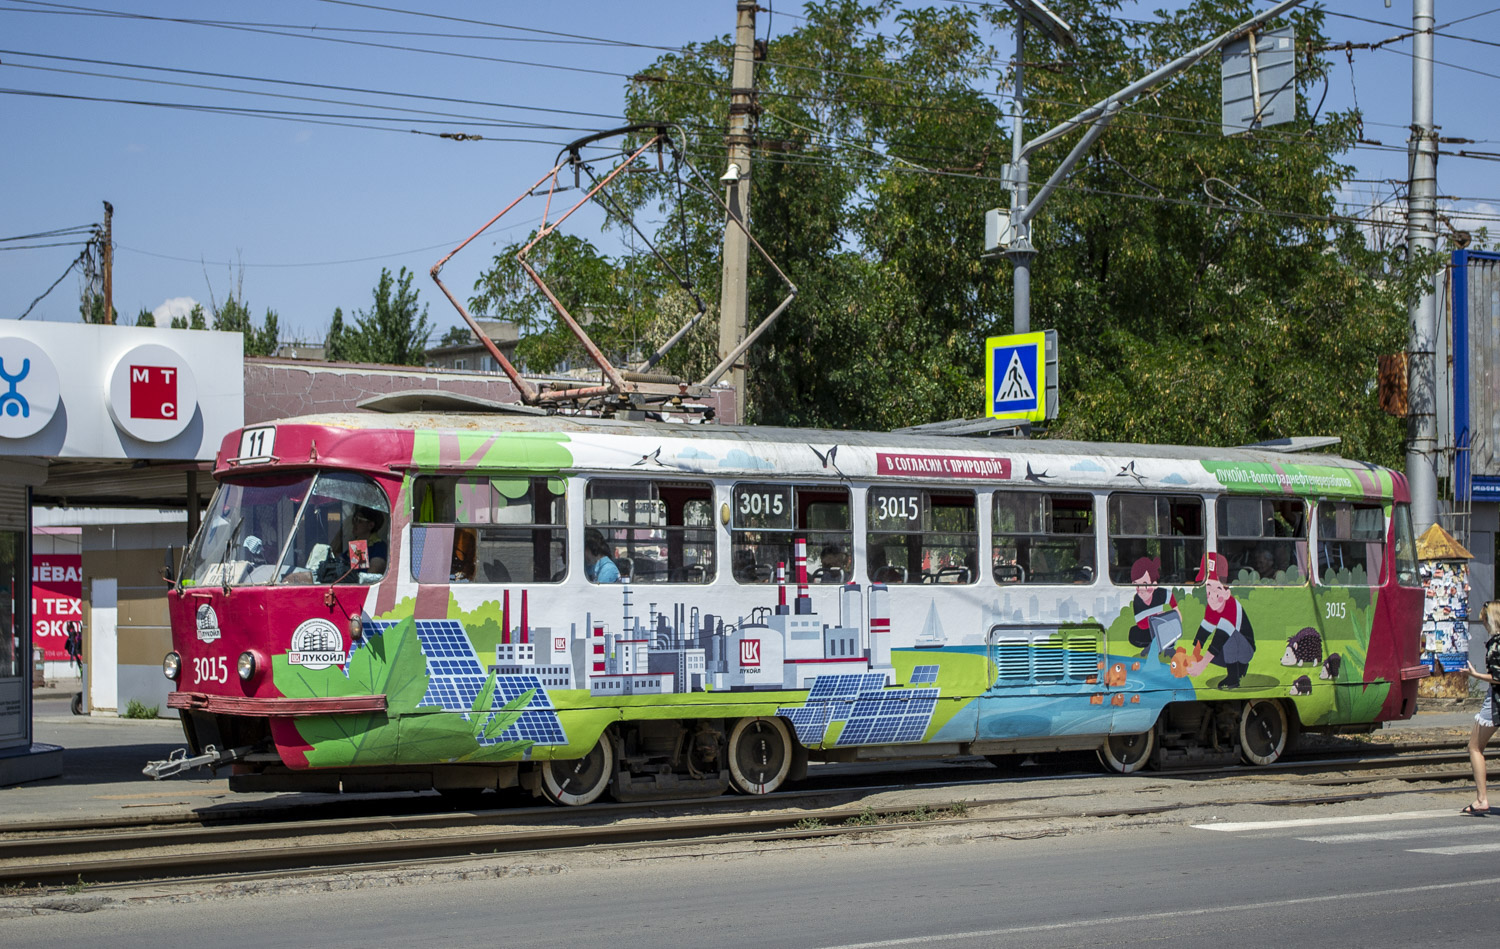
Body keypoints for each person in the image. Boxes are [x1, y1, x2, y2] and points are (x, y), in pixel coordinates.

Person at [1190, 552, 1256, 689]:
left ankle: (1233, 677)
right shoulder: (1211, 607)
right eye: (1208, 590)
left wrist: (1201, 666)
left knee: (1228, 636)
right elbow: (1203, 632)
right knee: (1214, 648)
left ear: (1227, 592)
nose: (1212, 597)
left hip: (1245, 649)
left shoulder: (1232, 606)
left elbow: (1219, 639)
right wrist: (1194, 656)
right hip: (1229, 649)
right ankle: (1238, 668)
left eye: (1218, 590)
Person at [1462, 601, 1500, 815]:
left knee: (1474, 747)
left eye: (1484, 619)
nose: (1483, 623)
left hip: (1496, 702)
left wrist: (1475, 675)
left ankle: (1481, 799)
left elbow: (1498, 678)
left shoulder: (1496, 644)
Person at [1128, 556, 1181, 661]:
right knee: (1134, 634)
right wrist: (1156, 617)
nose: (1141, 589)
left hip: (1163, 627)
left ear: (1154, 584)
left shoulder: (1161, 594)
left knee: (1168, 621)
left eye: (1145, 584)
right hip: (1150, 629)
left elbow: (1173, 602)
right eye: (1137, 585)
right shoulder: (1137, 600)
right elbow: (1140, 624)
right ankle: (1153, 646)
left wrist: (1173, 615)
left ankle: (1169, 648)